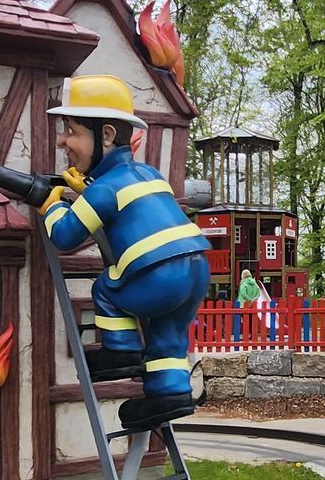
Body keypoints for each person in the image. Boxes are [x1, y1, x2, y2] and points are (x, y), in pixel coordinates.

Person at [40, 75, 210, 429]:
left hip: (159, 274)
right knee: (169, 330)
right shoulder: (147, 173)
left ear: (104, 135)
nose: (61, 141)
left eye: (71, 130)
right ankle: (170, 392)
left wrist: (50, 205)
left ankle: (120, 350)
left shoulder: (104, 190)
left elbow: (65, 235)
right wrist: (86, 188)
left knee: (109, 288)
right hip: (196, 271)